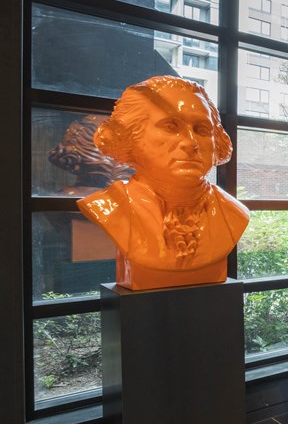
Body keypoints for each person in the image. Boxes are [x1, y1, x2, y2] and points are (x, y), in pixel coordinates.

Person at [77, 76, 250, 290]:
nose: (190, 143)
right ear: (132, 136)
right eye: (170, 126)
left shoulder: (233, 213)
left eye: (202, 130)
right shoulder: (110, 207)